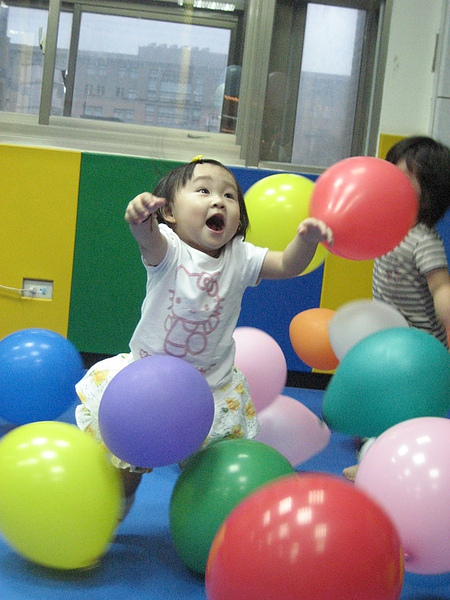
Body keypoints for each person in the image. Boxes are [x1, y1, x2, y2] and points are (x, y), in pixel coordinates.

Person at [75, 157, 333, 513]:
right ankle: (115, 506)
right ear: (170, 215)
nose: (218, 201)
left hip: (209, 388)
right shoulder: (167, 249)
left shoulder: (241, 257)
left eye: (229, 196)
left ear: (238, 220)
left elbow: (288, 265)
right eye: (203, 190)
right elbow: (146, 239)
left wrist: (306, 241)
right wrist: (139, 218)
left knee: (203, 470)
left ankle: (201, 515)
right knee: (127, 466)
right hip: (146, 387)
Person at [343, 136, 450, 481]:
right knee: (386, 399)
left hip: (418, 347)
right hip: (390, 340)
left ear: (429, 192)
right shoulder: (388, 230)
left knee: (409, 413)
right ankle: (377, 436)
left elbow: (442, 288)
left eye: (402, 177)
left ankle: (377, 465)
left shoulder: (423, 239)